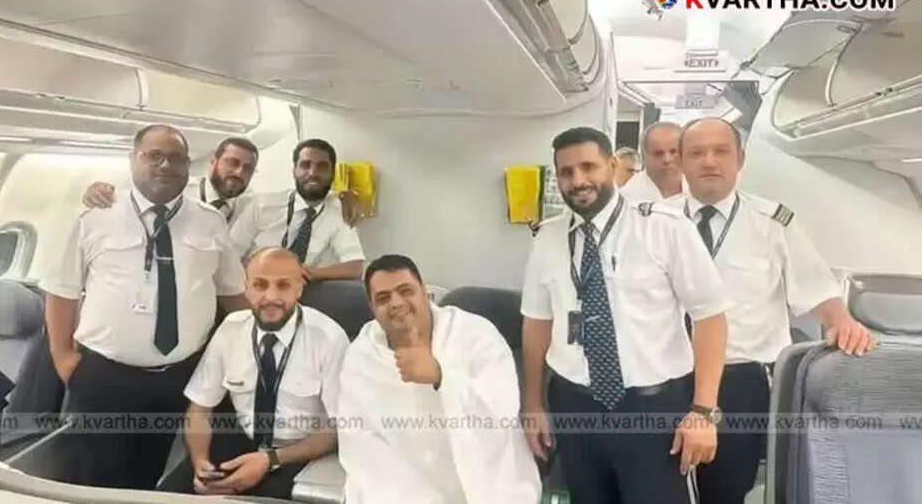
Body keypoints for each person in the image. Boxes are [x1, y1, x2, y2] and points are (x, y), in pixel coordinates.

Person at [521, 126, 731, 504]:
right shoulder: (548, 238)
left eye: (589, 167)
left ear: (613, 166)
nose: (578, 180)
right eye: (566, 172)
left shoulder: (665, 228)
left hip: (652, 409)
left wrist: (703, 410)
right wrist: (533, 404)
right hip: (574, 404)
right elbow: (537, 322)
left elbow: (710, 316)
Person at [671, 117, 876, 504]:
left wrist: (842, 320)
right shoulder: (654, 221)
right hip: (664, 376)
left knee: (727, 491)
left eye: (720, 151)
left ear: (740, 159)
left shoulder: (773, 222)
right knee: (660, 488)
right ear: (681, 162)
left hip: (740, 382)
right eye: (696, 153)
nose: (709, 161)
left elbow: (817, 289)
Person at [40, 124, 248, 490]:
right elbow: (62, 293)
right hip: (105, 377)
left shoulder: (210, 222)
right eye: (154, 155)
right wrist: (63, 358)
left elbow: (232, 294)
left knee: (150, 476)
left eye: (176, 158)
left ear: (189, 166)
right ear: (133, 160)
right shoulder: (94, 217)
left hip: (179, 376)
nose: (165, 165)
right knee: (94, 481)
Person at [338, 254, 541, 504]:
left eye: (405, 291)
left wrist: (442, 376)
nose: (396, 303)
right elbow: (359, 442)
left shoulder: (476, 334)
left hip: (483, 478)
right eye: (383, 298)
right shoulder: (362, 356)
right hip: (399, 488)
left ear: (425, 293)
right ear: (371, 306)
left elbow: (502, 408)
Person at [159, 247, 348, 498]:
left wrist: (269, 460)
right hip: (242, 443)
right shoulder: (231, 329)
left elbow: (337, 429)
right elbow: (199, 409)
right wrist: (200, 463)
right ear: (246, 287)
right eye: (260, 285)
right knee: (165, 497)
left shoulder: (329, 338)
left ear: (299, 288)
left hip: (299, 454)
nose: (271, 297)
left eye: (283, 286)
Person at [230, 139, 365, 282]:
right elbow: (230, 255)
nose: (313, 172)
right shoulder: (262, 205)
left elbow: (356, 266)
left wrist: (310, 273)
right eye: (305, 165)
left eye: (322, 167)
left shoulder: (339, 210)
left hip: (300, 288)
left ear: (332, 173)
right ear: (294, 171)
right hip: (252, 282)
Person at [82, 136, 261, 226]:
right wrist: (98, 191)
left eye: (248, 168)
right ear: (213, 162)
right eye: (233, 163)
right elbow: (127, 195)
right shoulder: (175, 188)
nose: (239, 172)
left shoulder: (254, 208)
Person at [620, 121, 687, 201]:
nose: (667, 159)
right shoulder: (626, 198)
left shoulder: (699, 192)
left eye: (673, 152)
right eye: (658, 153)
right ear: (644, 157)